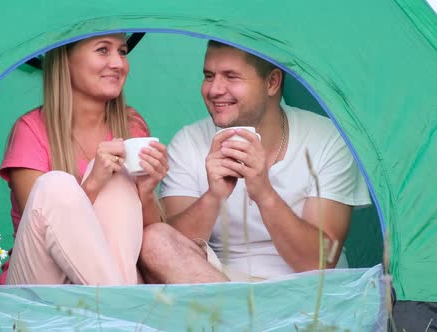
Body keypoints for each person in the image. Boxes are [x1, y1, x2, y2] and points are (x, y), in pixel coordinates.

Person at [139, 40, 371, 283]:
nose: (214, 89)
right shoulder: (188, 141)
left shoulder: (326, 138)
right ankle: (243, 317)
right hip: (219, 286)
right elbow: (173, 250)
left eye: (231, 76)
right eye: (209, 76)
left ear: (272, 82)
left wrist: (263, 192)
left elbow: (318, 261)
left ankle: (245, 319)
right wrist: (214, 196)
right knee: (154, 239)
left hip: (305, 291)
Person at [0, 34, 168, 285]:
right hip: (42, 282)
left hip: (112, 280)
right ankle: (118, 310)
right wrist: (93, 182)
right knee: (55, 185)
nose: (118, 63)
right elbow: (41, 231)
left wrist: (146, 191)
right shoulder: (30, 130)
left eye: (122, 51)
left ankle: (112, 313)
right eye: (102, 50)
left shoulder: (132, 126)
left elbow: (150, 237)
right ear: (65, 61)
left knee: (120, 181)